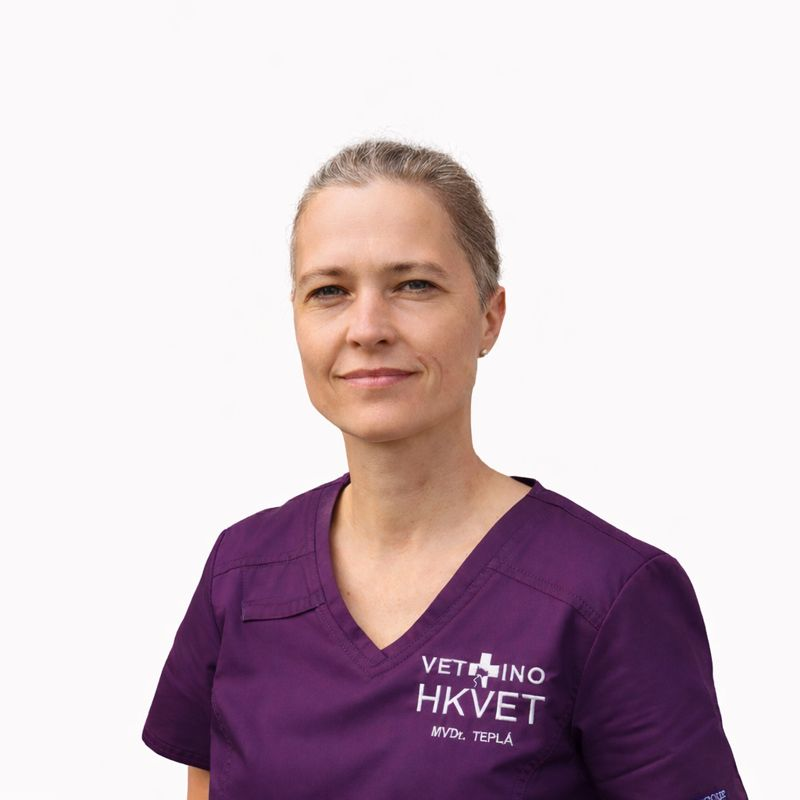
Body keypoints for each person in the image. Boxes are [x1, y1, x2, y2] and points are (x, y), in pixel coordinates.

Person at [141, 138, 748, 799]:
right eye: (329, 291)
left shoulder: (610, 595)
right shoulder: (243, 574)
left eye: (414, 286)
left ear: (489, 317)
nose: (367, 328)